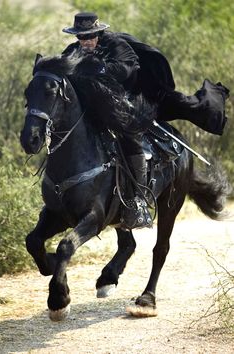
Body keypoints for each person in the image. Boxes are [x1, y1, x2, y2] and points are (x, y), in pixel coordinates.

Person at [62, 12, 229, 229]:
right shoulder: (74, 51)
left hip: (124, 102)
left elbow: (127, 68)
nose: (86, 41)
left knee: (129, 136)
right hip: (91, 108)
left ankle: (137, 201)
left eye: (90, 35)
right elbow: (61, 67)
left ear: (99, 32)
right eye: (82, 37)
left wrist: (99, 67)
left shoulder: (116, 45)